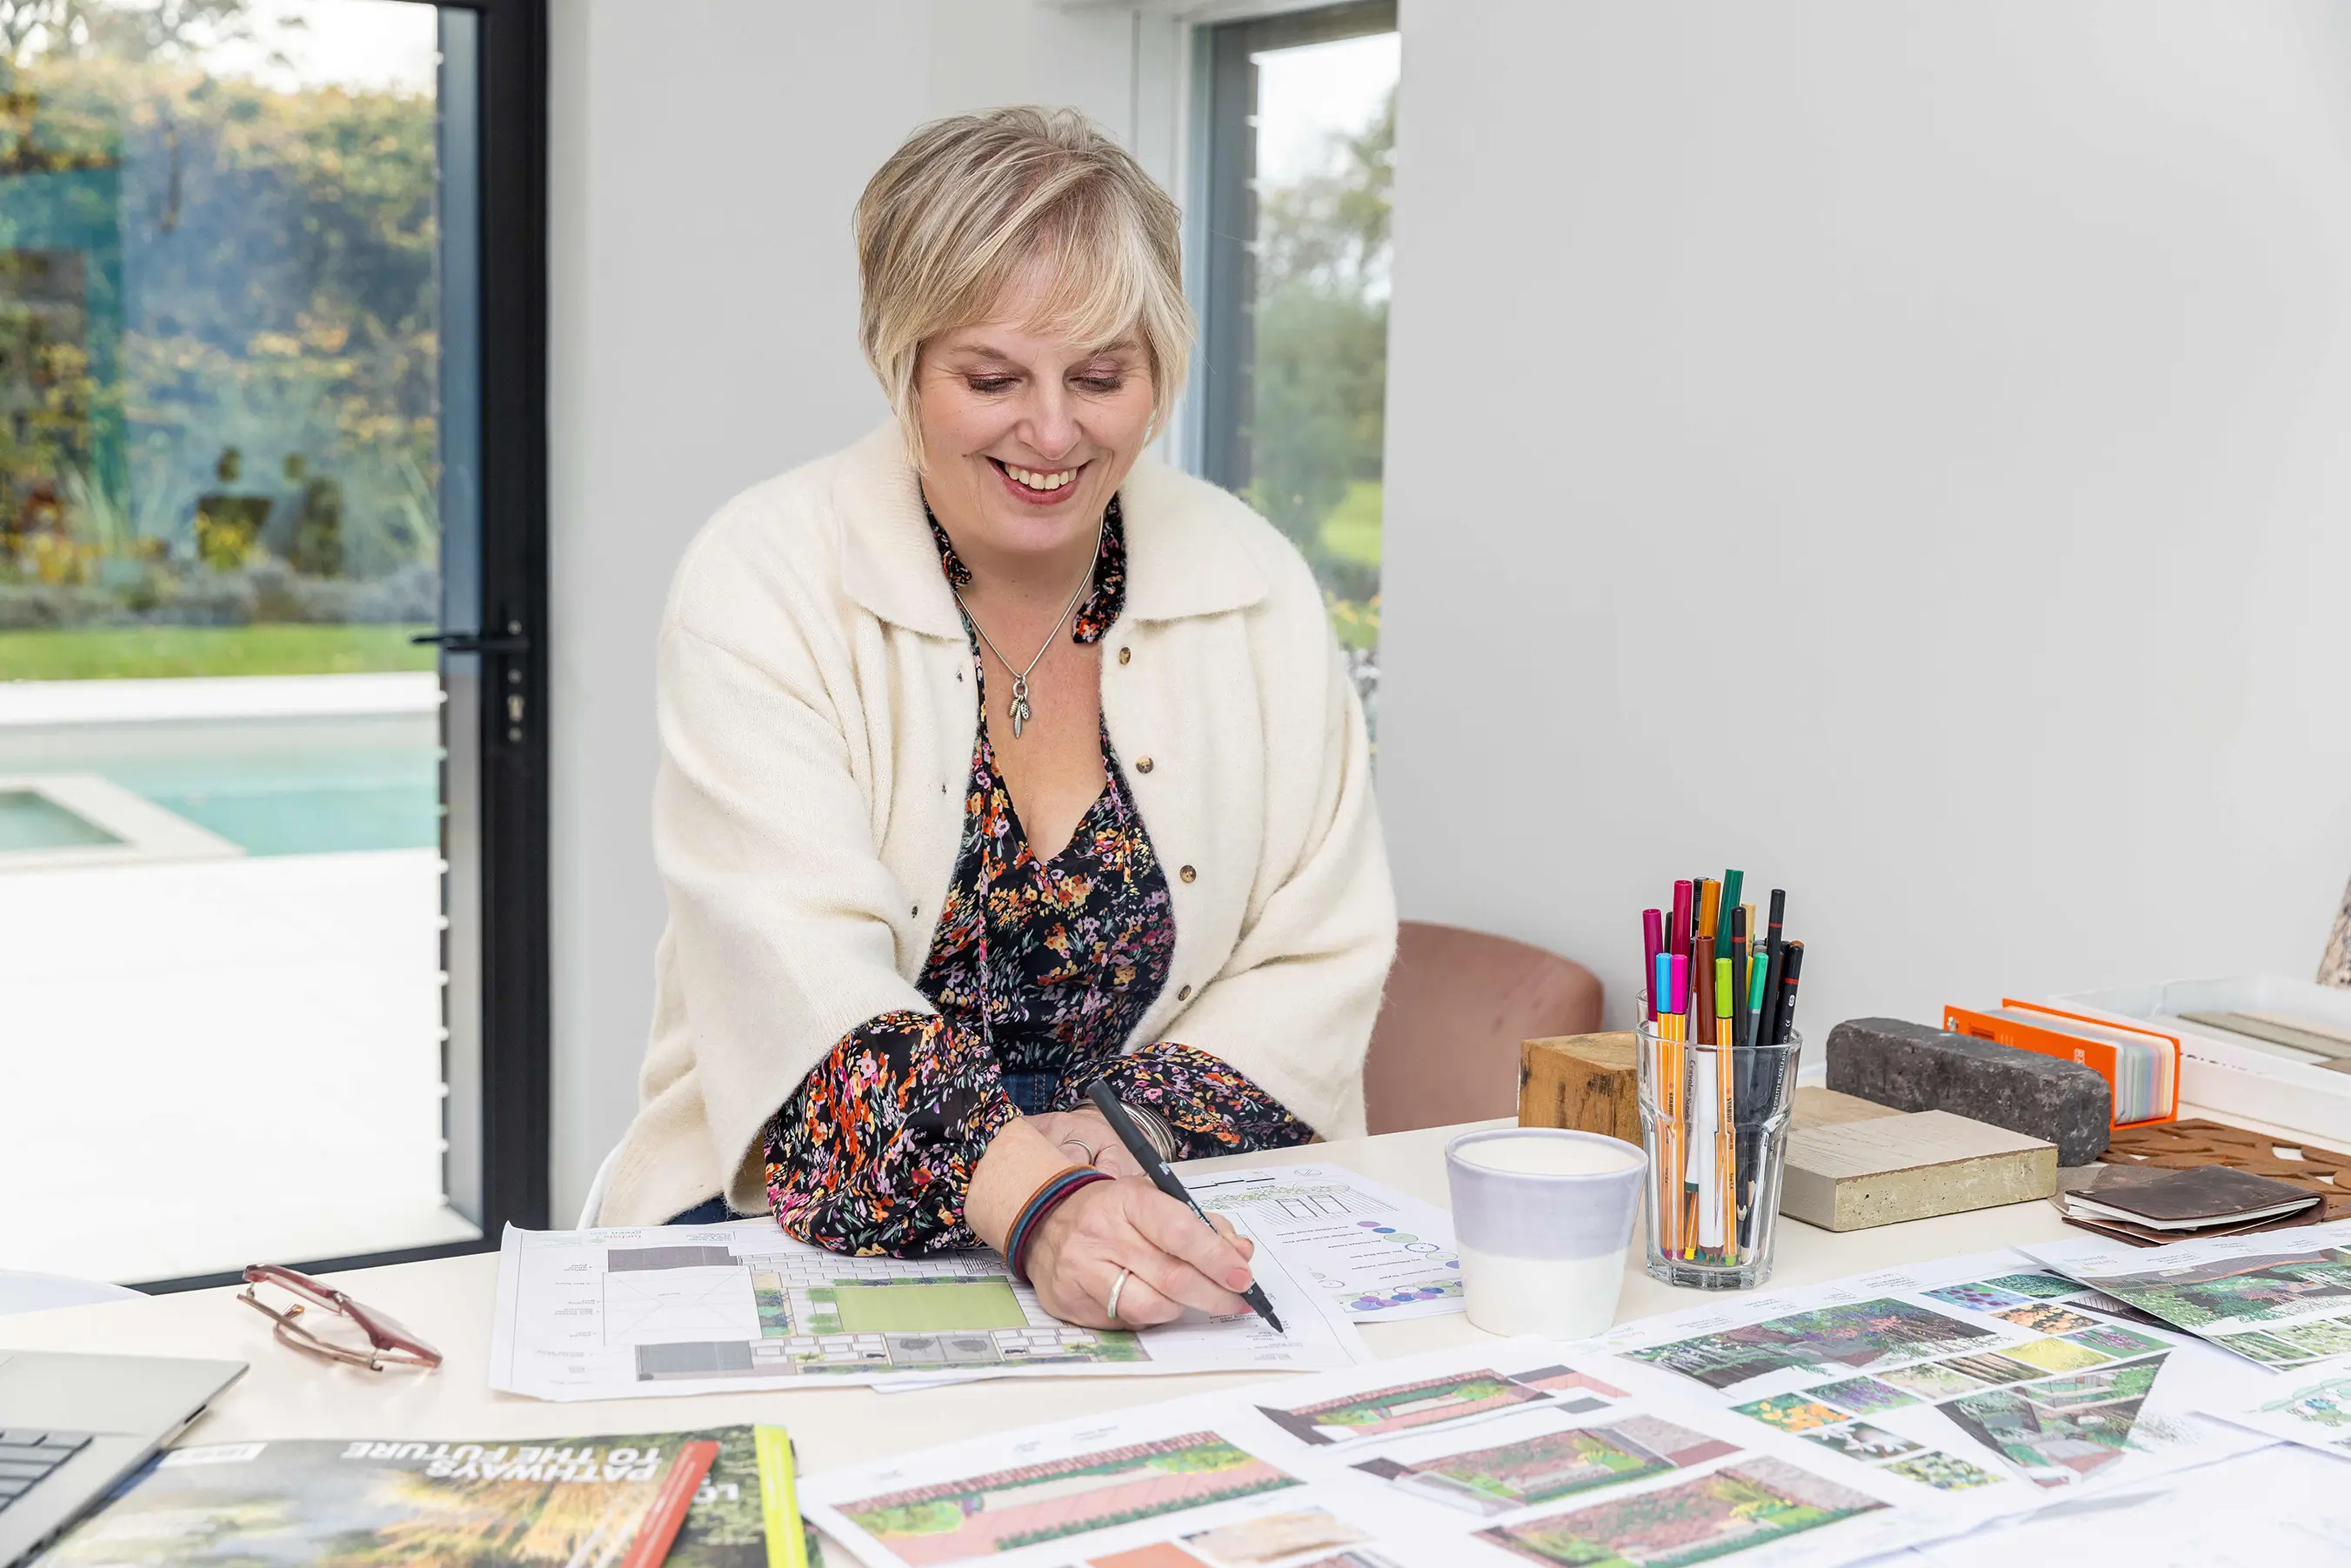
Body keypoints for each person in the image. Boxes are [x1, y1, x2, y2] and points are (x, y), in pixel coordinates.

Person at [598, 107, 1395, 1332]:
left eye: (1099, 376)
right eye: (991, 378)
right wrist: (1040, 1203)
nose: (1054, 431)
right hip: (804, 1225)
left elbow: (1318, 948)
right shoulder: (761, 578)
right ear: (900, 360)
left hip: (1160, 1207)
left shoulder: (1256, 582)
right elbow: (799, 986)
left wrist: (1116, 1137)